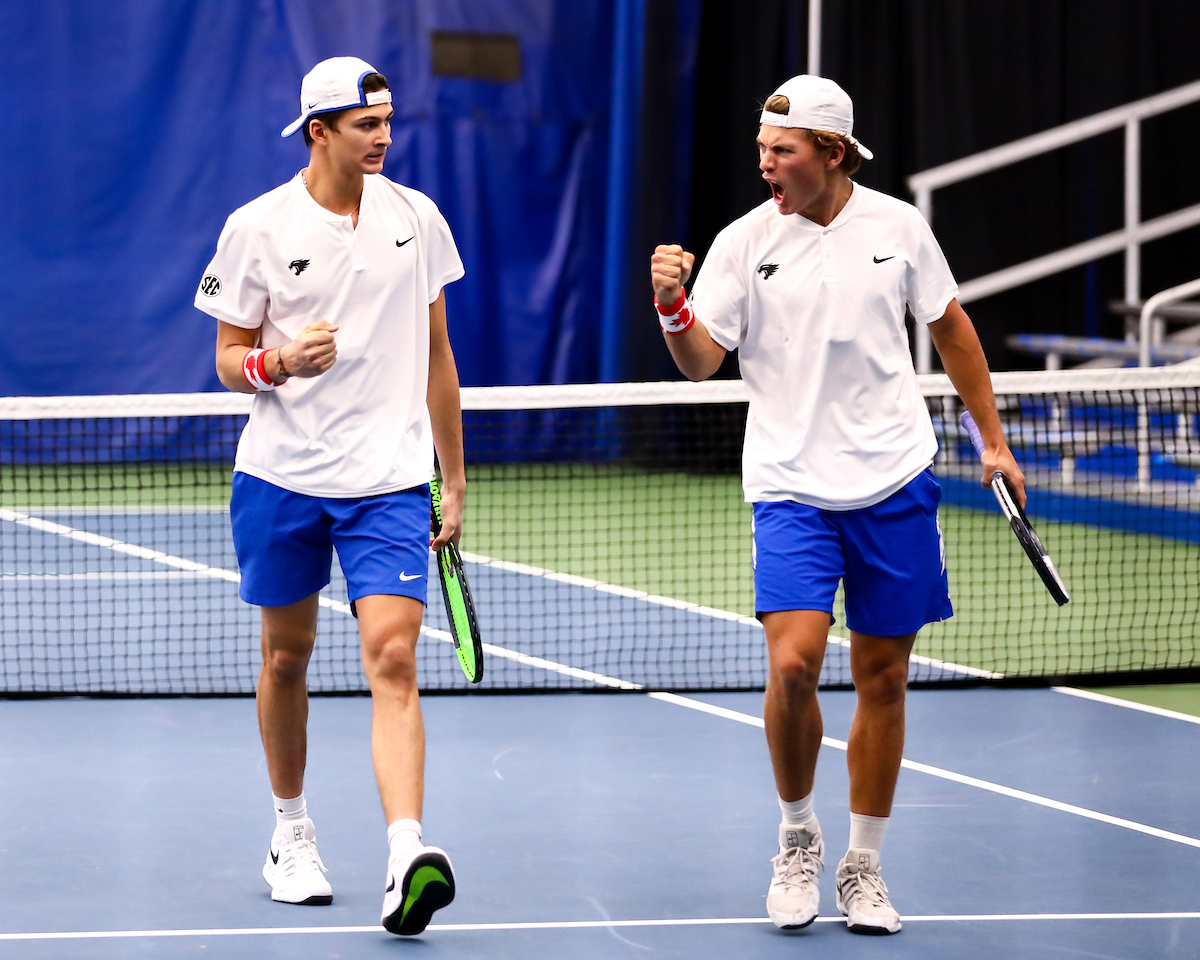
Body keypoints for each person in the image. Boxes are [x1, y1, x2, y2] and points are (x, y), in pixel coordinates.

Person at [649, 75, 1025, 935]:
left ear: (831, 152)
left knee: (882, 678)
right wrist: (672, 308)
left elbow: (952, 330)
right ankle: (797, 837)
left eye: (780, 150)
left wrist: (992, 441)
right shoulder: (744, 241)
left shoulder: (899, 228)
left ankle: (864, 863)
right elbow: (701, 362)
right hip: (790, 487)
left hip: (894, 480)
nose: (764, 163)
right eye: (760, 148)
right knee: (792, 666)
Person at [194, 56, 466, 937]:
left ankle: (405, 852)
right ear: (320, 132)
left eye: (388, 121)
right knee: (287, 658)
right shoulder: (257, 227)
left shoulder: (417, 218)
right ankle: (291, 832)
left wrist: (454, 474)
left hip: (389, 481)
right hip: (282, 478)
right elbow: (228, 358)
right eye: (366, 125)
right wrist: (276, 361)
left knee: (394, 658)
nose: (384, 137)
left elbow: (437, 354)